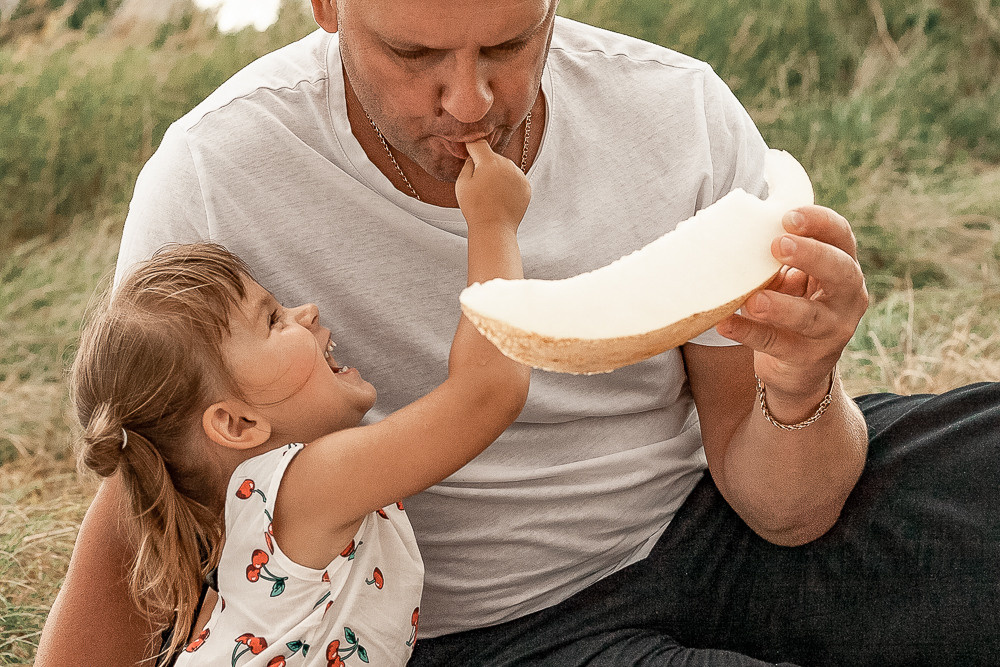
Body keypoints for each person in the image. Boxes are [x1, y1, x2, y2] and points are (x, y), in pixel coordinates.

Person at [38, 1, 1000, 665]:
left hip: (707, 520)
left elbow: (788, 510)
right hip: (491, 631)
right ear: (326, 7)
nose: (470, 101)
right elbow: (147, 484)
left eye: (509, 43)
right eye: (413, 56)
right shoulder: (213, 174)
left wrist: (800, 385)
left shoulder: (677, 110)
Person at [66, 140, 530, 665]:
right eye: (272, 320)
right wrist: (493, 224)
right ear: (237, 424)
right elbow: (488, 394)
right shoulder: (305, 486)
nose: (306, 311)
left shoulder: (244, 513)